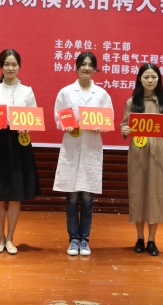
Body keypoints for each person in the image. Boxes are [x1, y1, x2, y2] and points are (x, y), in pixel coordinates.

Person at [0, 49, 41, 255]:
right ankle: (0, 238)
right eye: (7, 64)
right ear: (1, 66)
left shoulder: (27, 91)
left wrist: (26, 126)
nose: (10, 68)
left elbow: (33, 116)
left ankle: (11, 238)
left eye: (14, 64)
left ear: (19, 66)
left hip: (20, 144)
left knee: (15, 194)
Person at [120, 63, 163, 256]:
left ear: (159, 79)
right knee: (138, 191)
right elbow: (124, 126)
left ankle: (152, 240)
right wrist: (125, 130)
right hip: (138, 149)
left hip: (157, 150)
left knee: (156, 192)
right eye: (146, 77)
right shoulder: (132, 102)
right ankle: (140, 238)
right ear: (140, 79)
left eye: (153, 77)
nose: (150, 80)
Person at [53, 52, 113, 256]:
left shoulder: (101, 94)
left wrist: (101, 127)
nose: (86, 68)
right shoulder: (66, 92)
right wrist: (65, 125)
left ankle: (84, 240)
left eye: (90, 65)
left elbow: (108, 119)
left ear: (95, 69)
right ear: (76, 67)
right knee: (71, 196)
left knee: (87, 197)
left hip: (91, 147)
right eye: (83, 64)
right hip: (72, 145)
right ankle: (73, 239)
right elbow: (58, 117)